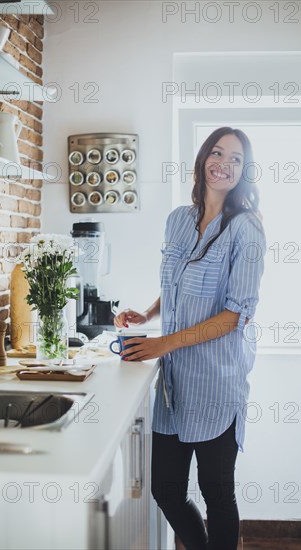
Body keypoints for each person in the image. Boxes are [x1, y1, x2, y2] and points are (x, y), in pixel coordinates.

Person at [114, 127, 267, 550]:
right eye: (218, 152)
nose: (224, 163)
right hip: (174, 385)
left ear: (244, 170)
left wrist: (162, 344)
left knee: (217, 493)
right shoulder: (178, 220)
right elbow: (178, 284)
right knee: (164, 488)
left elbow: (234, 315)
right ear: (202, 159)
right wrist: (146, 313)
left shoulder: (246, 231)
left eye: (236, 159)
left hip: (217, 381)